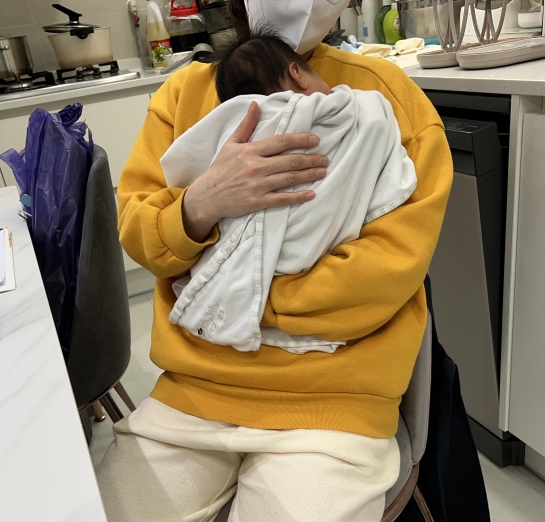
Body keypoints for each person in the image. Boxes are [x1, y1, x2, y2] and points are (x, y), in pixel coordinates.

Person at [96, 0, 453, 522]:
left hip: (332, 406)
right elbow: (139, 233)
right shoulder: (183, 95)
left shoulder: (384, 92)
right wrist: (200, 203)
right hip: (192, 397)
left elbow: (391, 266)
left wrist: (233, 299)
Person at [164, 30, 417, 354]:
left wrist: (261, 297)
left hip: (226, 317)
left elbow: (182, 167)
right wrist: (203, 202)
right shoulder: (361, 102)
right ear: (297, 73)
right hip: (322, 317)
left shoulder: (226, 127)